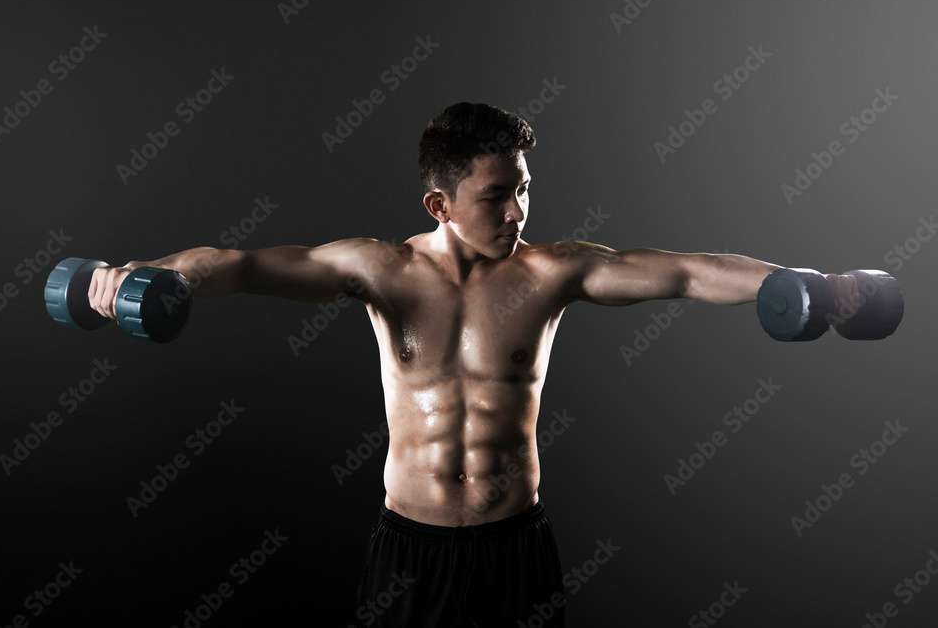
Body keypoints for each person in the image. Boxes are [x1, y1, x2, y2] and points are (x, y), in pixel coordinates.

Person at [87, 102, 858, 626]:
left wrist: (805, 285)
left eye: (523, 190)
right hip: (408, 554)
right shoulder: (379, 269)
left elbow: (687, 271)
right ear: (440, 204)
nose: (518, 212)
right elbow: (243, 265)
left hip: (514, 547)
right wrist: (157, 277)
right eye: (497, 196)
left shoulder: (551, 272)